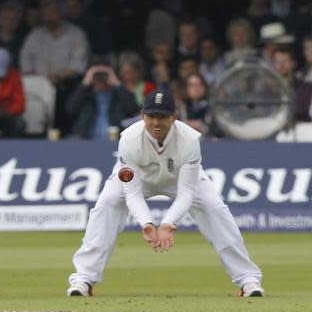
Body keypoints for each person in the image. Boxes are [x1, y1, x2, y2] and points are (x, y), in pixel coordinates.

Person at [67, 90, 264, 298]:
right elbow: (132, 193)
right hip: (140, 179)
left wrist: (168, 223)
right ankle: (84, 278)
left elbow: (186, 191)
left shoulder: (189, 139)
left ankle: (248, 280)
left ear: (173, 117)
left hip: (179, 179)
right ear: (143, 115)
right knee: (108, 201)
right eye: (151, 116)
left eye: (162, 117)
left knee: (215, 208)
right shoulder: (128, 139)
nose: (156, 123)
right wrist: (147, 223)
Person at [65, 64, 139, 140]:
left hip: (115, 140)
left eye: (105, 75)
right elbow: (70, 108)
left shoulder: (119, 95)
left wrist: (117, 84)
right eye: (97, 75)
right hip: (87, 140)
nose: (101, 79)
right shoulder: (85, 95)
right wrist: (85, 83)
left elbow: (133, 109)